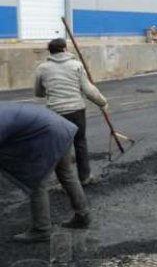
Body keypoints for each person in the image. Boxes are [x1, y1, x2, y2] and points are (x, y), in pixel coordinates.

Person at [0, 103, 91, 243]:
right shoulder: (4, 109)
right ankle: (83, 215)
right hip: (62, 127)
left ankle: (42, 229)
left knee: (37, 181)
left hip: (48, 133)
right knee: (66, 174)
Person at [34, 38, 108, 186]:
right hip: (77, 110)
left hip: (55, 112)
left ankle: (66, 182)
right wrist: (102, 102)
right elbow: (88, 90)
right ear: (65, 49)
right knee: (80, 142)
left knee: (61, 146)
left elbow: (38, 92)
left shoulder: (42, 68)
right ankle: (85, 177)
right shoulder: (76, 65)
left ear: (50, 51)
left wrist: (50, 92)